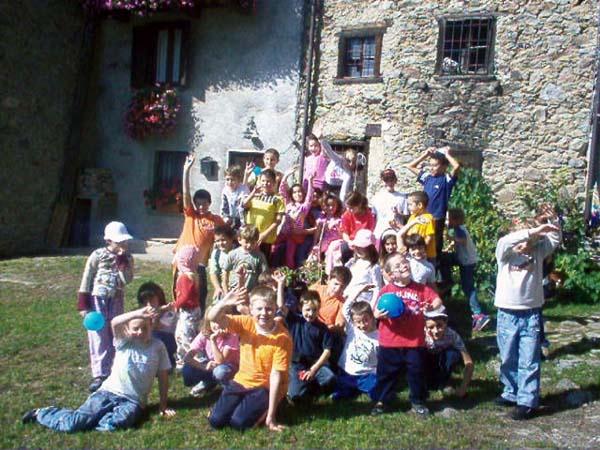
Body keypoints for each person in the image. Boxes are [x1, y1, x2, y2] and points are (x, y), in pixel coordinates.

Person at [22, 307, 175, 431]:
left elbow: (163, 377)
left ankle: (94, 421)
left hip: (133, 401)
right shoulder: (124, 342)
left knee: (117, 424)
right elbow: (115, 322)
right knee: (74, 424)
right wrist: (137, 313)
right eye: (135, 328)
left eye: (144, 328)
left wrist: (163, 405)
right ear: (127, 330)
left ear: (151, 326)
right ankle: (42, 413)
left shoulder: (158, 347)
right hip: (108, 392)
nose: (140, 332)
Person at [494, 206, 561, 420]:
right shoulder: (505, 252)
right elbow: (506, 241)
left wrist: (552, 220)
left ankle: (527, 400)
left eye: (529, 241)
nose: (524, 246)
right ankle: (511, 391)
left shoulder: (539, 251)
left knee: (529, 358)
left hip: (531, 312)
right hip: (506, 312)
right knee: (507, 356)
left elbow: (555, 238)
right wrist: (529, 233)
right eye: (521, 240)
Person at [207, 286, 292, 432]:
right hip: (242, 381)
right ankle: (228, 408)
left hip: (264, 388)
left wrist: (271, 417)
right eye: (259, 309)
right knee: (216, 421)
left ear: (275, 308)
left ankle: (277, 404)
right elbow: (213, 318)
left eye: (269, 309)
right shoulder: (245, 323)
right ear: (251, 309)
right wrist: (224, 302)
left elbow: (275, 375)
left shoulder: (282, 338)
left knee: (238, 423)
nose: (263, 313)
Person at [371, 253, 442, 417]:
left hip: (414, 342)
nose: (403, 265)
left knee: (416, 373)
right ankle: (382, 400)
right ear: (390, 275)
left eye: (404, 262)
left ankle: (417, 401)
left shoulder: (420, 289)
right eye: (398, 265)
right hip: (389, 342)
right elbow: (375, 311)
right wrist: (378, 315)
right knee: (386, 374)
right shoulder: (386, 291)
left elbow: (437, 299)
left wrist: (431, 307)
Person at [77, 221, 134, 392]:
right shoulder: (97, 255)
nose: (123, 245)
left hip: (116, 300)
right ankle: (100, 374)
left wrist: (122, 261)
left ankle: (115, 370)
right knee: (99, 336)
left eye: (125, 242)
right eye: (119, 242)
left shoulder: (127, 258)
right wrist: (83, 304)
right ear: (109, 241)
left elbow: (127, 280)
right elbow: (87, 278)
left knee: (115, 333)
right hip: (98, 300)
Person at [175, 154, 225, 315]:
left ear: (209, 203)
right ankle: (181, 321)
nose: (201, 206)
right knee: (182, 295)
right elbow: (186, 194)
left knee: (199, 297)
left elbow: (227, 236)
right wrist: (186, 171)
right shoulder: (191, 215)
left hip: (200, 266)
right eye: (198, 203)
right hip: (182, 264)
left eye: (204, 203)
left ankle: (200, 324)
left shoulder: (216, 220)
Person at [277, 289, 336, 402]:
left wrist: (314, 369)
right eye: (307, 310)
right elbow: (281, 307)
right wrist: (281, 285)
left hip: (315, 365)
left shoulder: (322, 328)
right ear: (300, 308)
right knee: (296, 396)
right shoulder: (294, 321)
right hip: (297, 365)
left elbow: (327, 351)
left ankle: (313, 384)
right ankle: (300, 384)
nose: (310, 313)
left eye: (314, 310)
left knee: (330, 379)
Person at [440, 208, 490, 331]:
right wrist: (450, 246)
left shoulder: (459, 230)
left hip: (467, 262)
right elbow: (457, 243)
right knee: (444, 258)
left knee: (468, 287)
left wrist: (450, 239)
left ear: (456, 220)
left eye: (448, 219)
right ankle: (447, 280)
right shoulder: (458, 229)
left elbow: (462, 241)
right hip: (464, 259)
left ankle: (478, 314)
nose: (447, 222)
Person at [405, 146, 460, 258]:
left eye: (435, 165)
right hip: (423, 217)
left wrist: (447, 154)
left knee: (434, 247)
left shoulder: (446, 179)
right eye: (431, 165)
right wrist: (425, 154)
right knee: (420, 243)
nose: (432, 168)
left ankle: (435, 267)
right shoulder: (427, 178)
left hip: (437, 218)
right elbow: (410, 166)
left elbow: (457, 166)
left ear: (444, 166)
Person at [332, 285, 379, 401]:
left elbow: (381, 358)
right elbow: (346, 308)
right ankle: (352, 389)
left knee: (381, 396)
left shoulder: (378, 336)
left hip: (367, 374)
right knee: (338, 398)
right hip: (347, 372)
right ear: (353, 321)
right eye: (358, 322)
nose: (362, 325)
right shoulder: (352, 329)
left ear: (372, 318)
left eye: (365, 320)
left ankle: (362, 388)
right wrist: (359, 290)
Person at [182, 309, 240, 397]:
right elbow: (187, 357)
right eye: (214, 322)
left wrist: (213, 341)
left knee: (220, 371)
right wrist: (204, 367)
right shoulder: (205, 333)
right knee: (187, 370)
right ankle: (209, 382)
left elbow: (220, 361)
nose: (217, 325)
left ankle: (229, 389)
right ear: (208, 322)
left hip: (230, 368)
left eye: (221, 320)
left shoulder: (232, 335)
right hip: (212, 366)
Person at [424, 307, 473, 398]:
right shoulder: (421, 334)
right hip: (426, 359)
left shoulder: (452, 335)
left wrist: (463, 388)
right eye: (431, 327)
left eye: (439, 326)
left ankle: (443, 380)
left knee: (453, 354)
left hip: (442, 357)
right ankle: (425, 381)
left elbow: (468, 362)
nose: (435, 331)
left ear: (445, 323)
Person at [242, 168, 285, 261]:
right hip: (249, 236)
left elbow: (278, 221)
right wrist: (253, 193)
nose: (265, 183)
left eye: (268, 181)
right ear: (259, 181)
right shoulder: (254, 196)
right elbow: (244, 205)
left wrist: (263, 235)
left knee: (262, 265)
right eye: (263, 181)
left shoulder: (278, 199)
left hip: (265, 238)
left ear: (274, 183)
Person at [172, 245, 202, 369]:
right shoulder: (193, 274)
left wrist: (174, 305)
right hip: (194, 310)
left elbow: (184, 297)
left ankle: (192, 361)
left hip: (187, 311)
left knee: (184, 336)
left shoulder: (185, 277)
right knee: (187, 333)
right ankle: (186, 358)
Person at [278, 168, 315, 268]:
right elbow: (282, 190)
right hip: (284, 233)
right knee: (275, 249)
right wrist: (286, 176)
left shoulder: (304, 207)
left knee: (290, 255)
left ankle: (291, 274)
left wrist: (311, 182)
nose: (297, 194)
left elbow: (310, 196)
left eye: (300, 192)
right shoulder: (288, 203)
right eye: (294, 192)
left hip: (294, 235)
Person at [137, 282, 177, 369]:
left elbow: (155, 326)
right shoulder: (142, 314)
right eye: (145, 302)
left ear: (159, 298)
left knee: (154, 335)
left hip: (167, 343)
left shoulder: (169, 313)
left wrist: (159, 311)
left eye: (151, 301)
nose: (149, 305)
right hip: (150, 344)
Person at [222, 225, 269, 293]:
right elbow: (225, 272)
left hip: (251, 291)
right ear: (239, 240)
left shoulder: (260, 256)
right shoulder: (233, 254)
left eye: (253, 242)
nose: (249, 245)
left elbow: (264, 274)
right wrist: (225, 290)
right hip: (234, 290)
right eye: (246, 242)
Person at [344, 229, 384, 308]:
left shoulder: (374, 266)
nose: (358, 249)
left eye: (362, 247)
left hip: (362, 304)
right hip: (348, 299)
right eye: (357, 246)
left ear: (370, 249)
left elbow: (377, 289)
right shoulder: (352, 262)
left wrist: (371, 308)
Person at [310, 266, 352, 332]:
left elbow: (339, 326)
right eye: (336, 284)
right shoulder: (315, 289)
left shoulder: (342, 303)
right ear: (329, 279)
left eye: (342, 287)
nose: (338, 289)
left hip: (325, 333)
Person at [371, 169, 409, 240]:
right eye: (386, 180)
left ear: (395, 180)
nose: (389, 182)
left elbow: (406, 217)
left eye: (392, 179)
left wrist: (399, 213)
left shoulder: (402, 197)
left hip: (397, 233)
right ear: (382, 181)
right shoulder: (376, 197)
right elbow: (373, 217)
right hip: (379, 233)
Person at [398, 191, 436, 262]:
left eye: (410, 205)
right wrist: (398, 226)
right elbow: (409, 230)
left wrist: (421, 250)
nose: (408, 207)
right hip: (414, 252)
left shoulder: (428, 218)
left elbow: (429, 237)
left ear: (419, 205)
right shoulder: (413, 217)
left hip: (426, 255)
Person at [340, 191, 376, 263]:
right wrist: (349, 242)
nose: (349, 210)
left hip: (364, 241)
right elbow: (345, 233)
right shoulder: (347, 215)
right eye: (348, 207)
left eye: (352, 208)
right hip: (351, 241)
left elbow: (370, 232)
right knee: (344, 248)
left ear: (359, 205)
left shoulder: (368, 215)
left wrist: (360, 244)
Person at [208, 225, 236, 302]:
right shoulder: (216, 253)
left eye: (223, 240)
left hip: (236, 285)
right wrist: (217, 287)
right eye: (217, 241)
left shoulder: (237, 251)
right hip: (223, 286)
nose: (220, 243)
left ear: (231, 239)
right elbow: (213, 272)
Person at [220, 166, 249, 231]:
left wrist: (243, 224)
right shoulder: (225, 190)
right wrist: (225, 217)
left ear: (238, 180)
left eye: (232, 180)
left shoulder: (243, 189)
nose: (230, 182)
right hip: (231, 218)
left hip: (243, 218)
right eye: (227, 179)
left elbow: (244, 206)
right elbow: (224, 206)